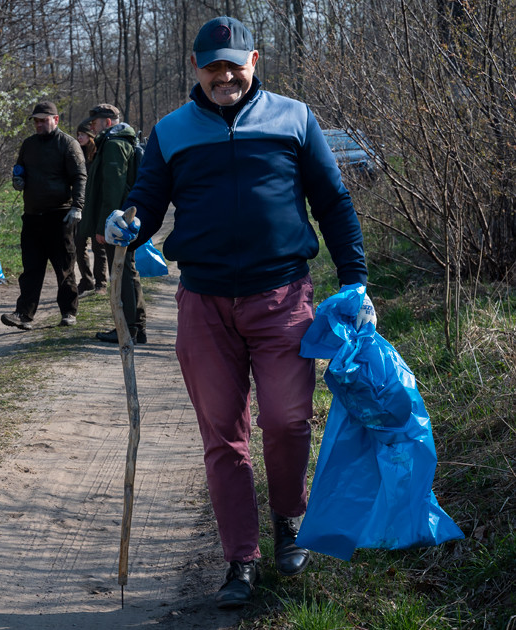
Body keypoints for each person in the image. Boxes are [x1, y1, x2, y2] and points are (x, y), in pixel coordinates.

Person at [108, 16, 371, 609]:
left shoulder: (294, 118)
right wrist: (128, 222)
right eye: (212, 65)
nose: (224, 75)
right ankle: (241, 558)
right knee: (223, 436)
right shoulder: (170, 130)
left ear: (253, 60)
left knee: (285, 421)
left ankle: (288, 521)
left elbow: (332, 201)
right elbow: (148, 199)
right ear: (195, 68)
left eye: (233, 64)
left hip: (281, 296)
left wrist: (355, 282)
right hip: (202, 303)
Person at [2, 101, 86, 330]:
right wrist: (18, 181)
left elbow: (80, 176)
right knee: (31, 269)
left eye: (43, 120)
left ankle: (69, 312)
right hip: (32, 217)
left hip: (60, 216)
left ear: (55, 120)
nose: (38, 124)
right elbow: (20, 169)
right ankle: (24, 315)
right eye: (36, 120)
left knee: (65, 268)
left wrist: (77, 207)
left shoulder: (68, 144)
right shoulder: (28, 145)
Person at [84, 104, 147, 344]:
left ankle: (127, 328)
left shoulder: (114, 145)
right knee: (128, 271)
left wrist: (103, 228)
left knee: (121, 273)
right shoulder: (118, 143)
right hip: (121, 220)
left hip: (116, 222)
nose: (92, 127)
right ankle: (136, 327)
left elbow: (112, 189)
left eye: (95, 122)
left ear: (107, 122)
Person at [72, 120, 107, 295]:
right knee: (78, 243)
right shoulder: (77, 154)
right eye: (78, 135)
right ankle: (86, 280)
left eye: (82, 135)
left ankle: (101, 282)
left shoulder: (99, 154)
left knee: (98, 245)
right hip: (80, 205)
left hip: (96, 206)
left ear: (90, 136)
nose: (79, 138)